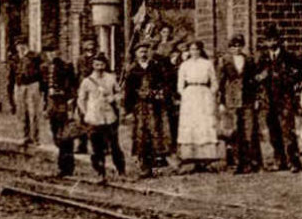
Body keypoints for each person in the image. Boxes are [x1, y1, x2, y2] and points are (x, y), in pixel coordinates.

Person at [255, 32, 302, 172]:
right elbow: (256, 76)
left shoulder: (288, 57)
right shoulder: (263, 58)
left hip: (285, 98)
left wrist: (292, 80)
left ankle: (293, 162)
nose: (271, 43)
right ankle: (279, 160)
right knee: (273, 131)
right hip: (268, 99)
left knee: (287, 130)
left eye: (273, 39)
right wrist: (260, 77)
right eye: (268, 40)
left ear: (279, 41)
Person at [123, 42, 172, 177]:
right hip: (140, 107)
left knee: (156, 132)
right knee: (141, 136)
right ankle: (144, 166)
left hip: (155, 105)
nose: (143, 54)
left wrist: (159, 93)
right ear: (136, 54)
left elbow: (165, 84)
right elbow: (128, 92)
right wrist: (128, 109)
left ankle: (157, 165)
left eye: (145, 51)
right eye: (140, 52)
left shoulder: (156, 67)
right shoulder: (132, 70)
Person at [216, 35, 261, 173]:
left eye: (239, 45)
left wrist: (257, 99)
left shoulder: (249, 60)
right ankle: (235, 163)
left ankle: (251, 163)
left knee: (249, 131)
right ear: (230, 47)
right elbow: (220, 83)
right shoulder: (224, 61)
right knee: (234, 132)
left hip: (247, 98)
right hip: (231, 100)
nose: (236, 48)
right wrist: (221, 102)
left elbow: (254, 82)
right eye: (233, 46)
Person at [78, 52, 125, 181]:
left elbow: (119, 93)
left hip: (109, 116)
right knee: (96, 147)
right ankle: (100, 172)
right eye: (96, 64)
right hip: (94, 118)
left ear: (105, 65)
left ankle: (121, 170)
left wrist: (113, 98)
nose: (99, 67)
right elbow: (81, 99)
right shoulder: (87, 81)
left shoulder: (111, 78)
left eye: (102, 64)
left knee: (114, 145)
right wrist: (86, 112)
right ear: (93, 65)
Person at [175, 40, 219, 171]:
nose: (194, 52)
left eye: (197, 49)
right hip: (190, 96)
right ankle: (189, 158)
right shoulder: (184, 65)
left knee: (204, 123)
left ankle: (207, 159)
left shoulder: (207, 64)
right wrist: (185, 94)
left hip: (204, 95)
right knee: (190, 124)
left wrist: (210, 93)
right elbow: (180, 85)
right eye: (192, 49)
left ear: (201, 50)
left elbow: (214, 82)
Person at [42, 47, 79, 177]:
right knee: (55, 134)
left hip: (64, 103)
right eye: (48, 52)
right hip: (52, 104)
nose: (51, 54)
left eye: (53, 51)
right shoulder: (46, 68)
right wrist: (45, 106)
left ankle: (66, 167)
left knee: (65, 136)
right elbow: (45, 89)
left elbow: (73, 85)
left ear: (58, 52)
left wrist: (70, 100)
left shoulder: (66, 67)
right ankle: (64, 164)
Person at [10, 39, 44, 150]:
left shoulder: (34, 57)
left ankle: (35, 137)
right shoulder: (14, 58)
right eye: (18, 45)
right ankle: (23, 136)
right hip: (19, 85)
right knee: (21, 112)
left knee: (33, 112)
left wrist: (42, 87)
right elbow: (11, 74)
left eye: (22, 45)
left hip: (32, 84)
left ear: (26, 45)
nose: (20, 47)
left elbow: (41, 72)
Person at [74, 37, 99, 154]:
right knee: (82, 119)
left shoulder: (99, 59)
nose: (89, 46)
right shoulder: (80, 60)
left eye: (91, 44)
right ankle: (81, 145)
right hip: (83, 93)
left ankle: (98, 146)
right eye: (87, 43)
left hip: (95, 92)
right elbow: (77, 76)